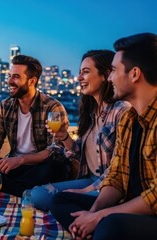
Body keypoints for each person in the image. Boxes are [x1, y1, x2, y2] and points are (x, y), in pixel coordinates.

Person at [50, 32, 157, 240]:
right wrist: (92, 214)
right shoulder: (130, 120)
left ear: (134, 74)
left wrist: (100, 216)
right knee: (60, 200)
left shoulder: (127, 114)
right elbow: (116, 177)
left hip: (150, 213)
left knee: (111, 226)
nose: (110, 77)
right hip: (125, 204)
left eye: (114, 70)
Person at [30, 50, 130, 211]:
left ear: (105, 75)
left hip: (110, 186)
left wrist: (84, 191)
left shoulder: (121, 111)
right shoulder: (90, 113)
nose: (79, 78)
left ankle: (94, 211)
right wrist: (64, 136)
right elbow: (80, 155)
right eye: (79, 72)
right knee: (36, 194)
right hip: (90, 180)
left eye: (86, 72)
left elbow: (120, 167)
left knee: (58, 200)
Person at [0, 55, 69, 197]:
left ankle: (14, 188)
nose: (10, 81)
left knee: (57, 170)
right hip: (14, 166)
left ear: (32, 81)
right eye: (9, 76)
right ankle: (26, 192)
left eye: (16, 77)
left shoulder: (52, 107)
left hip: (40, 166)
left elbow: (54, 150)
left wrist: (21, 160)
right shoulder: (5, 106)